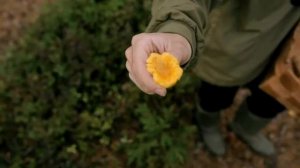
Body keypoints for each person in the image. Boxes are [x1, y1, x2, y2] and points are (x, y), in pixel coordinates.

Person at [125, 0, 300, 156]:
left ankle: (246, 128)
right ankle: (208, 123)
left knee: (272, 102)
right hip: (237, 49)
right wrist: (177, 27)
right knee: (216, 94)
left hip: (293, 63)